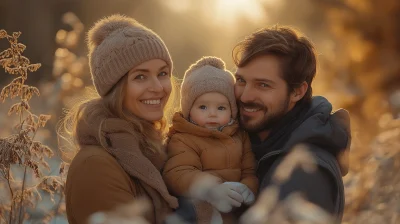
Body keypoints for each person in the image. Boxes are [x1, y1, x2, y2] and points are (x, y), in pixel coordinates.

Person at [62, 14, 179, 224]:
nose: (158, 87)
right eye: (140, 77)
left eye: (163, 74)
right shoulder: (95, 166)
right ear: (114, 88)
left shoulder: (160, 149)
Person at [233, 26, 350, 223]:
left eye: (263, 85)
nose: (245, 96)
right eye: (241, 80)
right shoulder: (252, 143)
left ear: (297, 91)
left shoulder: (307, 172)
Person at [162, 56, 259, 223]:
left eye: (221, 107)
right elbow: (178, 173)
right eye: (203, 107)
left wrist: (247, 188)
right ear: (189, 110)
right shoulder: (183, 138)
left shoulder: (240, 136)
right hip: (202, 211)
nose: (212, 113)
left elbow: (249, 170)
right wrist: (212, 189)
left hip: (235, 210)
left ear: (232, 110)